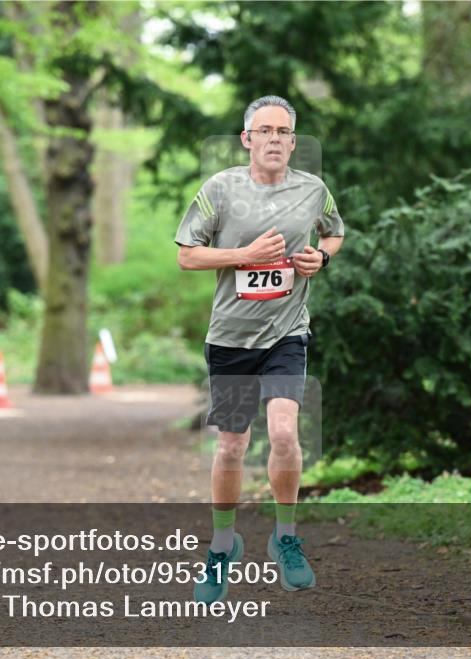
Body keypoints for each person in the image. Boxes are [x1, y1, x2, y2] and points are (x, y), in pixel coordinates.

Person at [176, 95, 345, 603]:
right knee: (232, 445)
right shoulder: (220, 189)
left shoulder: (312, 190)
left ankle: (285, 536)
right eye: (264, 131)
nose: (274, 139)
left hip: (286, 333)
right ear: (247, 139)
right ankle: (222, 545)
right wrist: (244, 255)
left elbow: (334, 233)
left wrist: (320, 258)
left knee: (285, 432)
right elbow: (187, 256)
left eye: (283, 132)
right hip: (230, 339)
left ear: (293, 142)